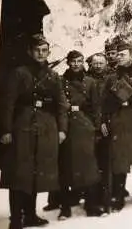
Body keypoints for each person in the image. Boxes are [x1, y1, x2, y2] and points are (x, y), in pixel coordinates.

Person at [0, 34, 68, 229]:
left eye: (44, 50)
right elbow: (8, 104)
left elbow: (62, 105)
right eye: (37, 49)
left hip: (46, 128)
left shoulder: (54, 76)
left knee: (38, 172)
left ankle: (30, 215)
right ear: (30, 51)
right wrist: (6, 129)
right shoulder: (19, 73)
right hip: (22, 127)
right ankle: (15, 219)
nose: (40, 53)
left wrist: (62, 129)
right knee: (20, 173)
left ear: (48, 53)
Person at [102, 41, 132, 211]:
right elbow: (104, 103)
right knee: (119, 160)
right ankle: (118, 197)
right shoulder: (110, 78)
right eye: (117, 54)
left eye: (122, 54)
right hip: (118, 122)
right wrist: (105, 120)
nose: (118, 57)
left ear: (131, 55)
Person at [57, 50, 104, 220]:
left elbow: (96, 107)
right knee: (65, 166)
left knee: (89, 165)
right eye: (73, 61)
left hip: (85, 126)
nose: (76, 64)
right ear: (68, 63)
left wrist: (96, 128)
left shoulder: (90, 82)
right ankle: (65, 207)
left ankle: (91, 205)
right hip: (67, 126)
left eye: (79, 61)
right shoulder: (60, 81)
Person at [86, 53, 112, 210]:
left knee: (106, 162)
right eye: (95, 63)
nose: (97, 66)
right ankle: (91, 199)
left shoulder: (110, 79)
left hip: (107, 124)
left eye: (100, 63)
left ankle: (106, 198)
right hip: (89, 124)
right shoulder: (86, 79)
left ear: (106, 63)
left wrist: (105, 121)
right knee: (90, 163)